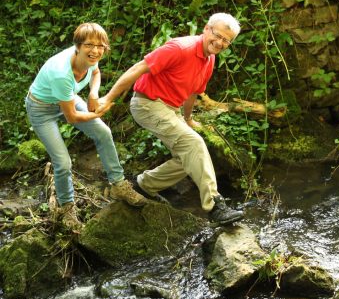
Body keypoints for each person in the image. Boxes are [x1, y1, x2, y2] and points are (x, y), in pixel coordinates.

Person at [98, 13, 244, 225]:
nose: (220, 43)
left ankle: (143, 185)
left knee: (189, 158)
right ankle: (215, 206)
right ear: (206, 29)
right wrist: (108, 98)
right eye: (218, 35)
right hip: (147, 104)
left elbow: (193, 92)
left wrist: (187, 119)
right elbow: (138, 68)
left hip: (171, 109)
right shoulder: (180, 48)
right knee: (194, 144)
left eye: (226, 41)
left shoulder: (209, 59)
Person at [25, 23, 148, 232]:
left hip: (66, 98)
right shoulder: (61, 73)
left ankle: (118, 184)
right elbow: (72, 117)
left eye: (101, 46)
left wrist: (93, 94)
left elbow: (96, 72)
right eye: (89, 45)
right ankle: (66, 207)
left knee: (103, 132)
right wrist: (97, 113)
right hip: (41, 109)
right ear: (78, 46)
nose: (96, 50)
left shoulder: (92, 59)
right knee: (63, 163)